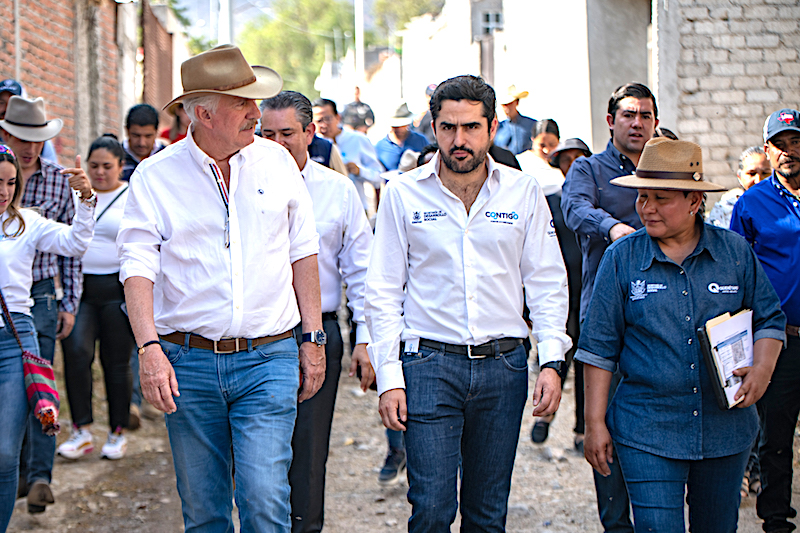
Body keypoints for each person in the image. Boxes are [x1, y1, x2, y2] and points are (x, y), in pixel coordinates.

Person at [117, 44, 325, 532]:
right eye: (243, 103)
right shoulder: (155, 176)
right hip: (187, 362)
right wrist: (149, 349)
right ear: (205, 114)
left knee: (265, 497)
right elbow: (136, 264)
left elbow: (304, 250)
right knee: (205, 510)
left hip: (268, 357)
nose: (257, 113)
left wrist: (313, 339)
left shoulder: (276, 163)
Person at [366, 75, 570, 532]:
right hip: (429, 366)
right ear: (433, 128)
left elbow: (547, 282)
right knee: (432, 508)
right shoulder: (402, 193)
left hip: (504, 368)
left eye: (472, 127)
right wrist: (389, 378)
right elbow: (381, 291)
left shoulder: (523, 192)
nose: (460, 140)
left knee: (487, 512)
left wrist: (553, 361)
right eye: (448, 128)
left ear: (492, 128)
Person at [579, 137, 786, 531]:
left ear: (694, 201)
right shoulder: (622, 259)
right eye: (643, 197)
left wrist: (762, 369)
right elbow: (598, 349)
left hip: (726, 431)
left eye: (661, 197)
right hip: (647, 429)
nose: (647, 207)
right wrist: (594, 424)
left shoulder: (735, 253)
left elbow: (769, 318)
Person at [260, 90, 375, 533]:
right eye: (266, 133)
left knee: (308, 453)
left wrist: (364, 337)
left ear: (311, 132)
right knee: (257, 455)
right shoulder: (238, 186)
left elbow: (362, 272)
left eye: (287, 133)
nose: (275, 142)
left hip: (317, 333)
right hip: (257, 335)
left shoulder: (337, 191)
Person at [562, 82, 661, 532]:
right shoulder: (589, 170)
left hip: (662, 325)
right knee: (605, 433)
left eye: (644, 115)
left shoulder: (666, 171)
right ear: (611, 121)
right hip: (609, 326)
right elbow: (575, 210)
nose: (636, 122)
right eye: (628, 115)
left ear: (655, 122)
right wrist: (618, 229)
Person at [0, 144, 95, 531]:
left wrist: (85, 199)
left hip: (14, 339)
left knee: (6, 452)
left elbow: (76, 243)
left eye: (10, 182)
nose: (4, 191)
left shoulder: (25, 223)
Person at [731, 108, 800, 533]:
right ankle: (776, 521)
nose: (790, 152)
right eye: (781, 144)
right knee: (775, 438)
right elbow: (737, 273)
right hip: (781, 341)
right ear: (768, 150)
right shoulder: (752, 204)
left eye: (796, 142)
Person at [57, 135, 134, 461]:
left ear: (120, 166)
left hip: (117, 289)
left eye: (107, 166)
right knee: (76, 354)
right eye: (94, 166)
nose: (100, 172)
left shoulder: (131, 195)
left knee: (116, 363)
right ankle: (81, 430)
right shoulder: (74, 195)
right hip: (80, 290)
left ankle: (117, 431)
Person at [312, 98, 383, 215]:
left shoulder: (358, 140)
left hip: (356, 208)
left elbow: (378, 176)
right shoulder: (312, 145)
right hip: (323, 212)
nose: (323, 124)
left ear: (338, 117)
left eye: (328, 119)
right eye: (319, 121)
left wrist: (359, 171)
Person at [707, 146, 772, 229]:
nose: (758, 180)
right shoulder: (725, 210)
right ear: (740, 177)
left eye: (765, 173)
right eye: (752, 174)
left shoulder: (781, 205)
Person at [0, 80, 58, 164]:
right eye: (1, 103)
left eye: (14, 103)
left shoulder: (44, 144)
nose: (6, 108)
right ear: (6, 135)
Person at [375, 103, 429, 171]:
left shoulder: (421, 140)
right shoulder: (380, 147)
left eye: (402, 125)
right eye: (396, 126)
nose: (399, 129)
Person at [121, 103, 166, 181]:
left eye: (148, 136)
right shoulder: (115, 156)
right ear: (127, 131)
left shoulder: (166, 157)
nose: (142, 143)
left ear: (156, 132)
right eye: (136, 136)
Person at [494, 85, 537, 155]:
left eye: (510, 104)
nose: (507, 108)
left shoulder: (532, 125)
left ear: (516, 102)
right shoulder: (498, 128)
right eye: (504, 105)